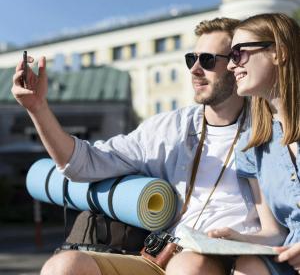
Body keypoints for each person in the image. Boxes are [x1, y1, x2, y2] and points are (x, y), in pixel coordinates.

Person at [12, 17, 281, 275]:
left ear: (236, 65)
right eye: (191, 59)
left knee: (189, 267)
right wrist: (38, 108)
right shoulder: (169, 128)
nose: (195, 69)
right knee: (63, 266)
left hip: (221, 261)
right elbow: (83, 165)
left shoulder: (268, 129)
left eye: (208, 60)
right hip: (161, 256)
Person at [226, 12, 300, 274]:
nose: (230, 65)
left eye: (238, 53)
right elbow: (274, 232)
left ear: (278, 52)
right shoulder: (251, 147)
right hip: (290, 260)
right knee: (247, 266)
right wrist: (238, 240)